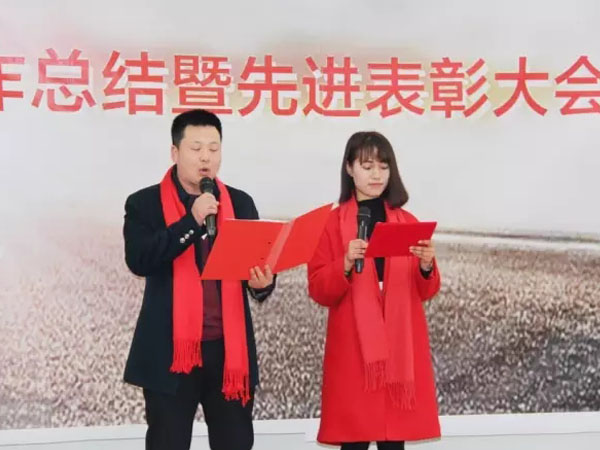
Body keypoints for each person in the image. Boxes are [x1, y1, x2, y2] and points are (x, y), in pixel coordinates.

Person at [123, 109, 276, 450]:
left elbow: (258, 268)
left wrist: (262, 283)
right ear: (175, 152)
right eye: (196, 148)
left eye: (213, 148)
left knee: (235, 443)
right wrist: (191, 222)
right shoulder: (144, 204)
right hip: (171, 352)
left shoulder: (240, 203)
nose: (206, 157)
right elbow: (139, 260)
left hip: (228, 352)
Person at [307, 131, 441, 450]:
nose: (376, 174)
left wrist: (426, 265)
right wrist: (344, 263)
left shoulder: (407, 221)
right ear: (349, 168)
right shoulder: (331, 224)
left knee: (393, 441)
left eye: (383, 166)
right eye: (367, 166)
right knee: (353, 439)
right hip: (353, 347)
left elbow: (425, 290)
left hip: (399, 346)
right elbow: (319, 289)